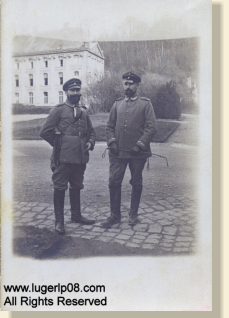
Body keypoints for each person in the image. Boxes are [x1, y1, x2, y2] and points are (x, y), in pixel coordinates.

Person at [101, 72, 157, 228]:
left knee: (136, 182)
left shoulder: (146, 104)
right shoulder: (117, 104)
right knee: (113, 182)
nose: (128, 86)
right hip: (117, 152)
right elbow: (109, 126)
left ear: (137, 85)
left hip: (137, 153)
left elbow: (151, 128)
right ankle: (114, 216)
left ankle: (133, 214)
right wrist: (111, 142)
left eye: (131, 84)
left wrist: (139, 145)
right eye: (125, 83)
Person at [40, 78, 96, 235]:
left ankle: (76, 215)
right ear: (66, 92)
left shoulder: (84, 111)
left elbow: (92, 132)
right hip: (62, 159)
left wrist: (90, 143)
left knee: (77, 186)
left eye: (78, 90)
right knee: (60, 187)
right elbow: (44, 132)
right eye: (72, 90)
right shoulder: (58, 110)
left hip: (79, 158)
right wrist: (59, 146)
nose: (76, 93)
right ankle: (59, 222)